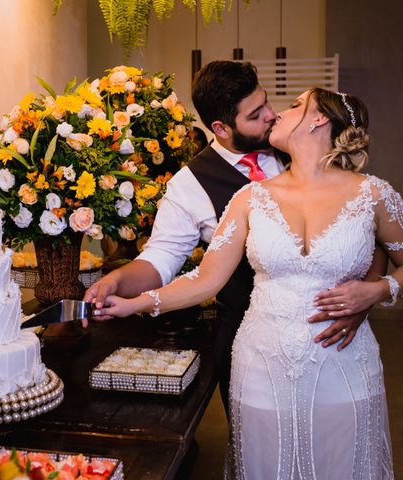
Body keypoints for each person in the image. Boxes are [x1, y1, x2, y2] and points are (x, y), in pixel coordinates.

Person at [97, 88, 396, 478]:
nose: (276, 115)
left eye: (293, 105)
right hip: (261, 365)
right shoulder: (250, 197)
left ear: (320, 118)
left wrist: (377, 289)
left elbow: (392, 260)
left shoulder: (373, 194)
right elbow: (206, 279)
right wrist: (133, 303)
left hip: (344, 363)